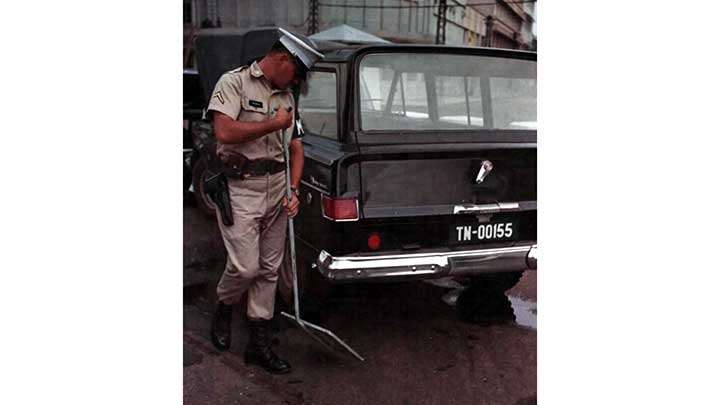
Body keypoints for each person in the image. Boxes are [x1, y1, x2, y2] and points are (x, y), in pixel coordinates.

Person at [206, 28, 323, 374]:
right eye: (297, 73)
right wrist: (273, 124)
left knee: (269, 270)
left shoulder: (287, 95)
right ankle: (224, 305)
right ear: (282, 58)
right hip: (241, 188)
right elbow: (224, 132)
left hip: (278, 188)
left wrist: (294, 189)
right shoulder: (235, 83)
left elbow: (296, 148)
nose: (298, 82)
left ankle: (259, 341)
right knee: (245, 267)